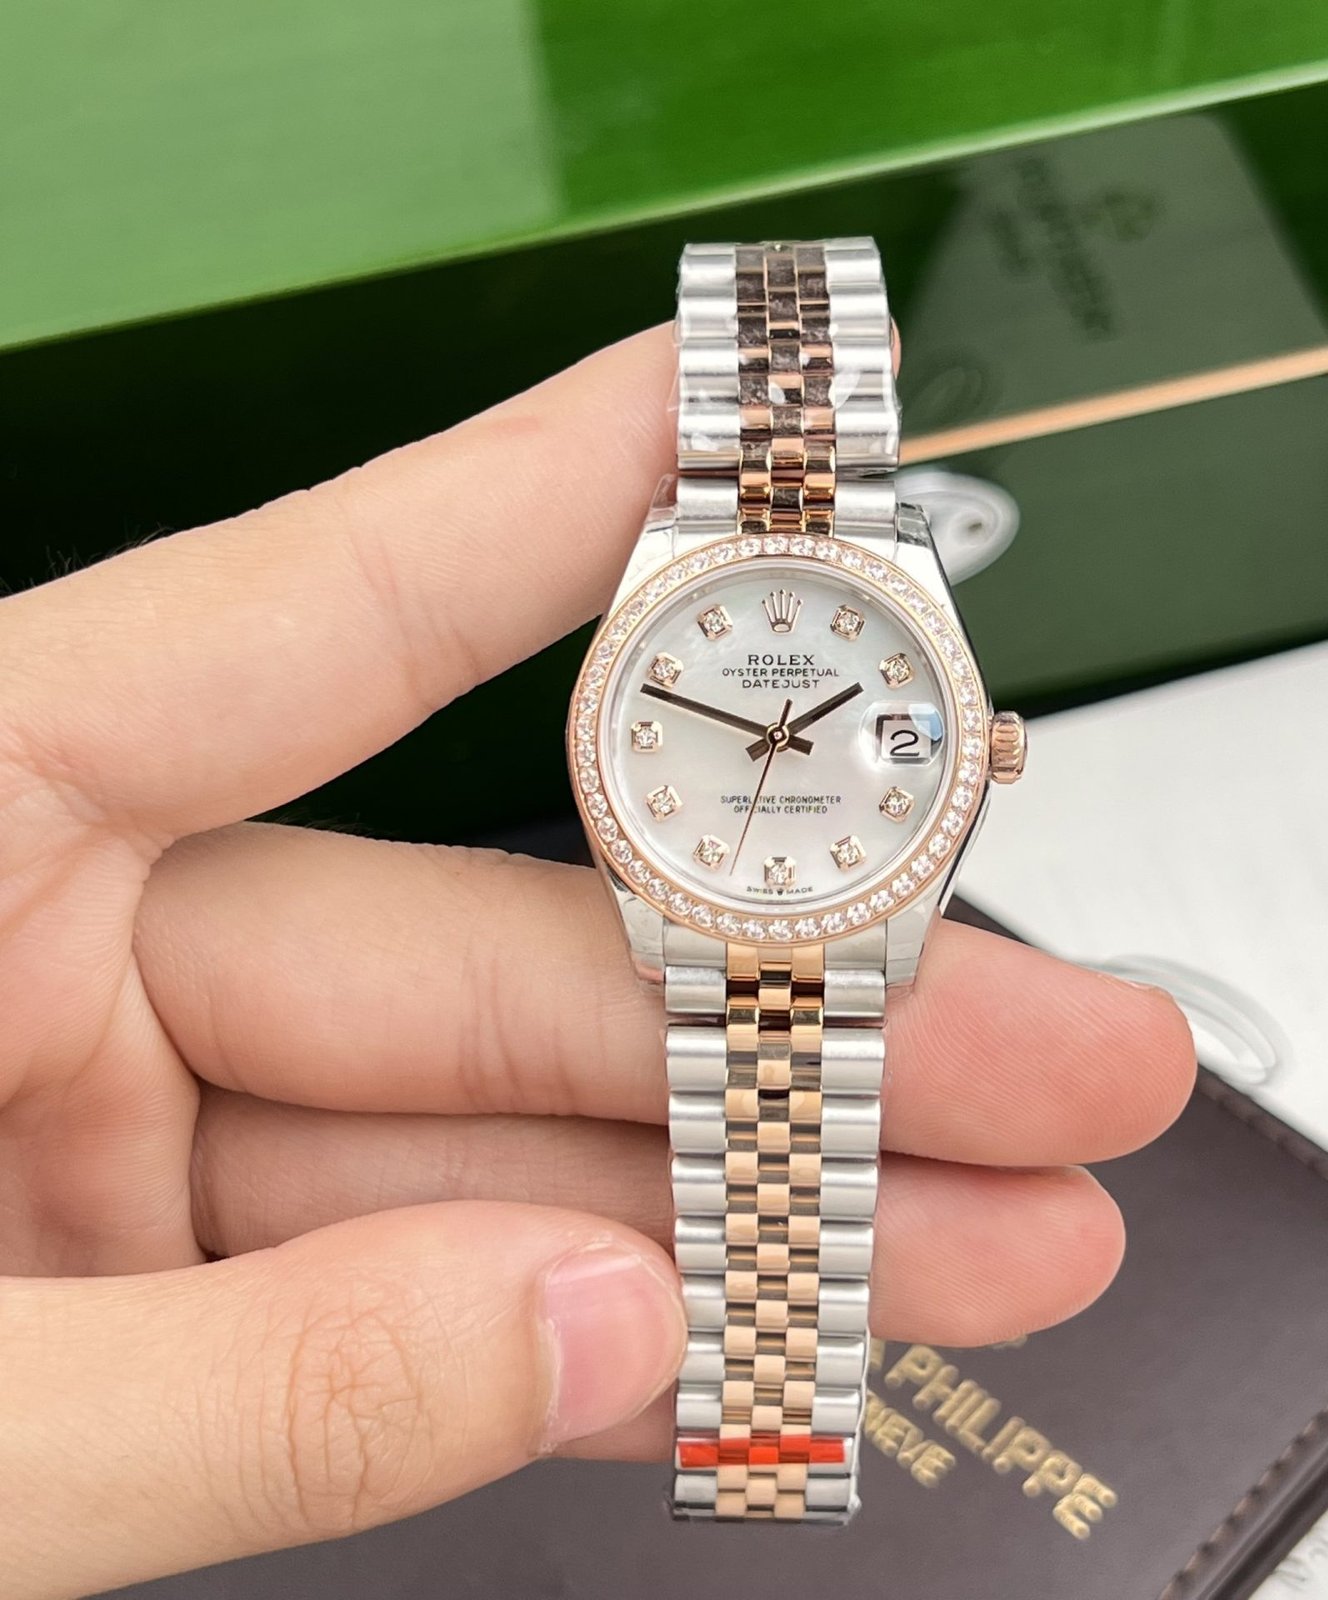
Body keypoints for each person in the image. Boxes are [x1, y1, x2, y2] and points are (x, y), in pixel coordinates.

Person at [0, 326, 1195, 1598]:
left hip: (809, 909)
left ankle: (769, 1438)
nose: (777, 739)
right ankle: (763, 1441)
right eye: (754, 726)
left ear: (979, 747)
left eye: (793, 729)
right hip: (716, 904)